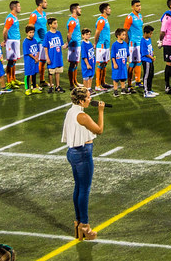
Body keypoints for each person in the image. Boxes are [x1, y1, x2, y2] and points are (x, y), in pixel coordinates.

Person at [63, 86, 104, 241]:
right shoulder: (82, 116)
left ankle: (78, 223)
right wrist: (101, 111)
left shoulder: (71, 111)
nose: (90, 98)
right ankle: (85, 226)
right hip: (83, 153)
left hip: (73, 152)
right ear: (81, 100)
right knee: (84, 190)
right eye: (88, 97)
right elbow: (99, 130)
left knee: (79, 188)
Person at [29, 0, 49, 88]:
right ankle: (33, 83)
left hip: (44, 40)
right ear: (40, 4)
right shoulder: (34, 14)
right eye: (45, 2)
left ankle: (42, 80)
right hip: (37, 41)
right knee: (36, 61)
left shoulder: (44, 13)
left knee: (43, 61)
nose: (46, 3)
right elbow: (30, 27)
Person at [124, 0, 144, 89]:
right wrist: (127, 43)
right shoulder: (130, 17)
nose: (139, 7)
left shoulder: (140, 16)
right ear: (132, 7)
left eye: (139, 5)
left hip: (140, 42)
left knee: (139, 62)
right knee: (132, 63)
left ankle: (138, 81)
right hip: (133, 43)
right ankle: (129, 84)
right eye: (137, 6)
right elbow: (125, 30)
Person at [3, 1, 23, 90]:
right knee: (11, 61)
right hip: (11, 41)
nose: (20, 7)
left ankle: (13, 79)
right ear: (14, 7)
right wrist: (5, 40)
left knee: (14, 61)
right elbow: (5, 30)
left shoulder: (14, 17)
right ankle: (8, 81)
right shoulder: (10, 18)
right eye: (19, 6)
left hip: (15, 40)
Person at [95, 3, 112, 92]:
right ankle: (97, 85)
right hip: (101, 45)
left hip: (106, 45)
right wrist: (95, 43)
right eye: (109, 8)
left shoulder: (105, 19)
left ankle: (103, 83)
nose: (110, 10)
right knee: (101, 63)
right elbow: (97, 32)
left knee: (104, 63)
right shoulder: (101, 20)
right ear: (104, 10)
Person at [45, 18, 65, 93]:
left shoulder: (58, 33)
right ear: (50, 25)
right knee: (51, 71)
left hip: (58, 56)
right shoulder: (48, 35)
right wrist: (47, 57)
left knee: (58, 71)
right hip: (51, 56)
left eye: (56, 23)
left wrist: (65, 45)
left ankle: (57, 86)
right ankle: (51, 86)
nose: (56, 24)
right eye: (54, 23)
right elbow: (46, 47)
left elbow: (61, 44)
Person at [66, 3, 82, 90]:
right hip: (73, 45)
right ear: (74, 10)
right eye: (79, 8)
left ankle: (75, 81)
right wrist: (68, 43)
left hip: (77, 44)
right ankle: (72, 84)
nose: (80, 10)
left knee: (76, 63)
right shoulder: (72, 21)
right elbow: (69, 34)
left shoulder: (76, 19)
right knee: (72, 64)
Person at [110, 29, 130, 97]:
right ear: (118, 36)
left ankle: (123, 89)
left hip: (123, 64)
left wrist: (127, 62)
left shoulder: (125, 44)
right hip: (117, 64)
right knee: (116, 77)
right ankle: (115, 90)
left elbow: (127, 54)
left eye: (125, 34)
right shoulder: (115, 45)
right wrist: (114, 63)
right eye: (123, 35)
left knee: (123, 77)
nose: (124, 36)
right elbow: (112, 55)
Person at [22, 25, 42, 96]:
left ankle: (34, 88)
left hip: (35, 61)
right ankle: (27, 89)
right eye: (30, 32)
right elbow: (27, 52)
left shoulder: (34, 40)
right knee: (27, 74)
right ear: (27, 33)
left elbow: (38, 49)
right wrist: (35, 58)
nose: (32, 34)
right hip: (29, 61)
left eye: (33, 32)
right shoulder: (25, 42)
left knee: (34, 74)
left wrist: (37, 57)